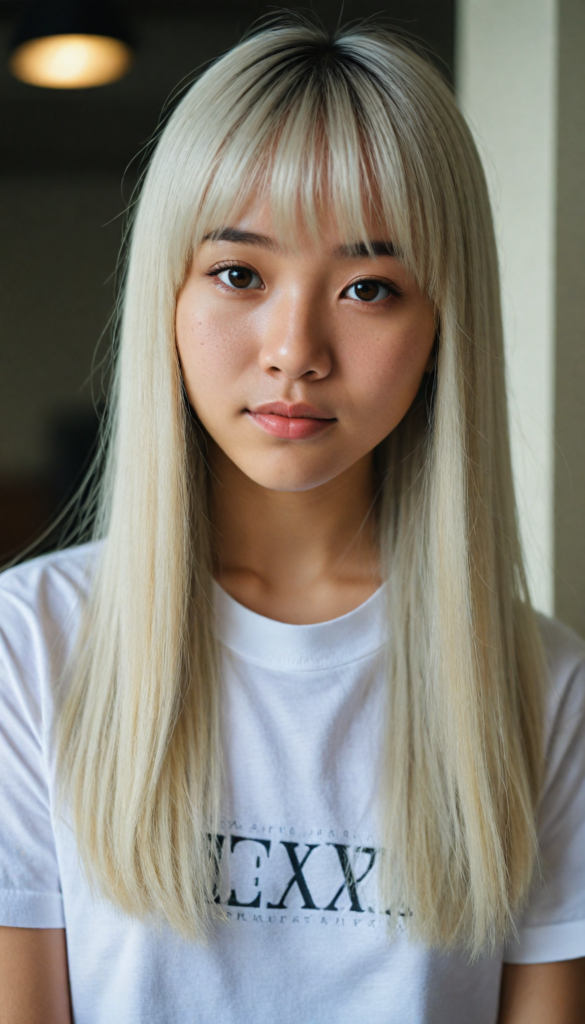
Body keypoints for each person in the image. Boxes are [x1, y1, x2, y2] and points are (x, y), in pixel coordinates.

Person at [0, 19, 584, 1024]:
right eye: (240, 273)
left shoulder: (542, 688)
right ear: (168, 294)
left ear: (443, 326)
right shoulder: (32, 643)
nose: (295, 349)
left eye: (369, 288)